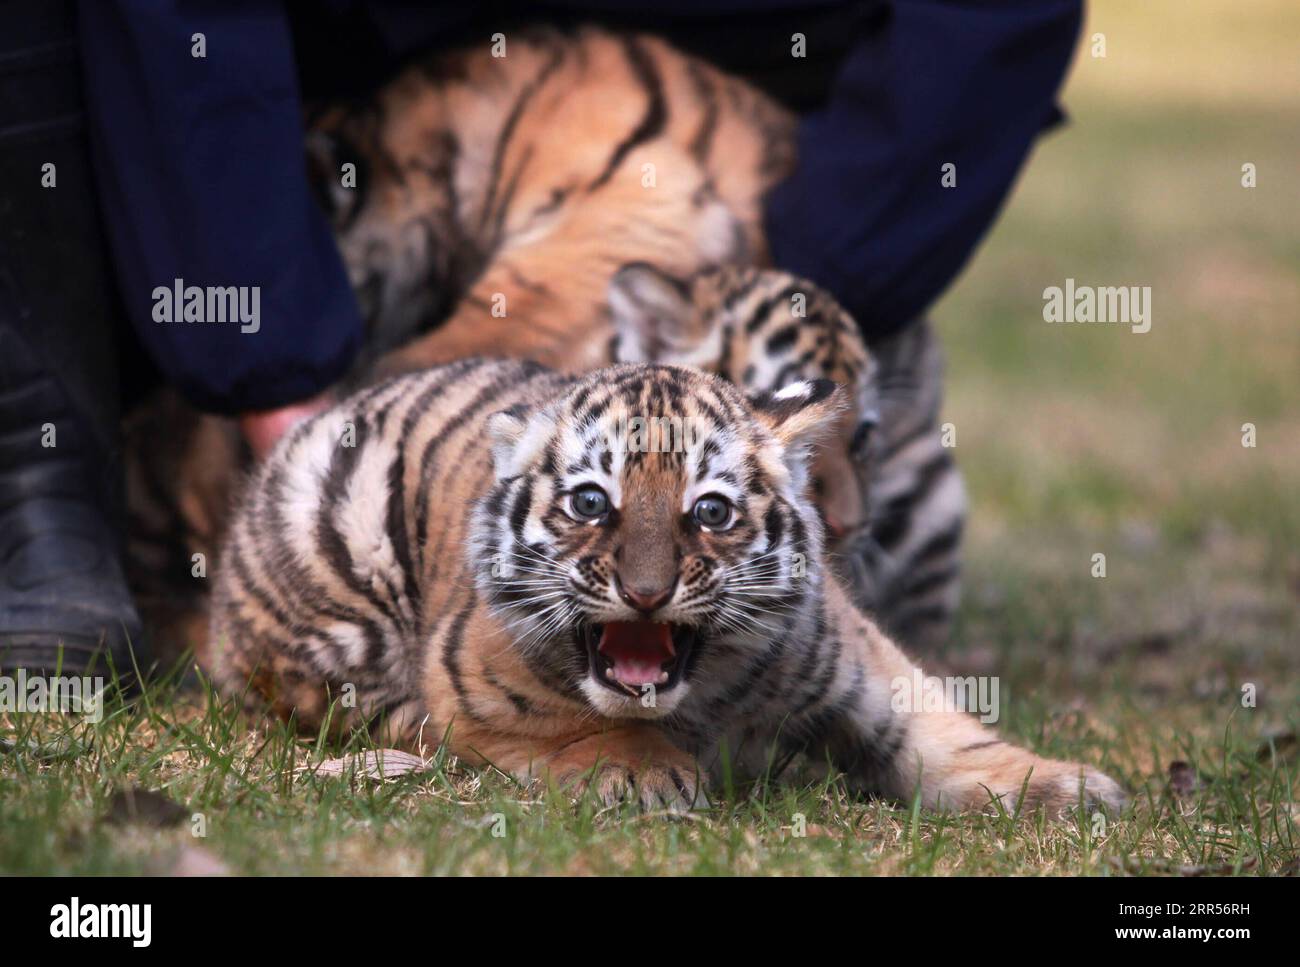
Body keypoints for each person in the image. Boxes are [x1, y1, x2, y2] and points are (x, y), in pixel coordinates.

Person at [0, 0, 1081, 674]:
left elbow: (992, 24)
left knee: (755, 596)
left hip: (767, 79)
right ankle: (44, 487)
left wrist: (801, 276)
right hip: (324, 100)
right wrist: (265, 356)